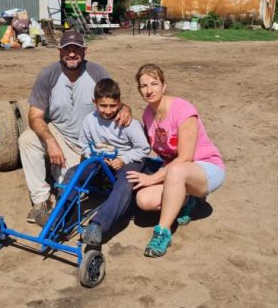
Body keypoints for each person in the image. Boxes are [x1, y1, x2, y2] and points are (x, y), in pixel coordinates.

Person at [19, 31, 132, 224]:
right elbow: (34, 116)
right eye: (67, 49)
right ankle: (41, 201)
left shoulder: (97, 72)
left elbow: (115, 103)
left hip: (90, 142)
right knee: (27, 140)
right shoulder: (48, 75)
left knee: (71, 185)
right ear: (59, 51)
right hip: (60, 133)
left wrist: (126, 109)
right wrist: (51, 142)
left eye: (76, 49)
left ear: (84, 51)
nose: (71, 54)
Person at [126, 63, 225, 258]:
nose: (149, 90)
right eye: (143, 86)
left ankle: (162, 233)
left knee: (177, 171)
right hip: (175, 172)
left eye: (154, 83)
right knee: (144, 200)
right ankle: (189, 199)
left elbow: (185, 157)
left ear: (164, 86)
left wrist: (151, 179)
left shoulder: (183, 109)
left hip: (205, 168)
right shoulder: (148, 114)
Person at [60, 78, 149, 244]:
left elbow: (143, 149)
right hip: (99, 159)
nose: (108, 111)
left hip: (127, 159)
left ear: (119, 103)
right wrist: (94, 155)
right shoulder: (89, 120)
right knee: (73, 173)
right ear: (95, 103)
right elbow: (84, 144)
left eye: (113, 106)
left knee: (124, 185)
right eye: (103, 105)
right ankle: (61, 215)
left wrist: (123, 159)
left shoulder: (129, 124)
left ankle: (98, 225)